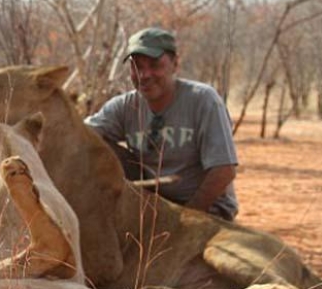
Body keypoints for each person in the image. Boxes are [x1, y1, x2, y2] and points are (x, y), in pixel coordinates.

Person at [85, 27, 239, 221]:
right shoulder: (124, 106)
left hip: (205, 208)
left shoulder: (203, 100)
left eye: (155, 65)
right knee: (94, 145)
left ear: (175, 64)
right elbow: (80, 134)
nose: (145, 74)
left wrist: (186, 218)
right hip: (155, 204)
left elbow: (224, 170)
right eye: (137, 66)